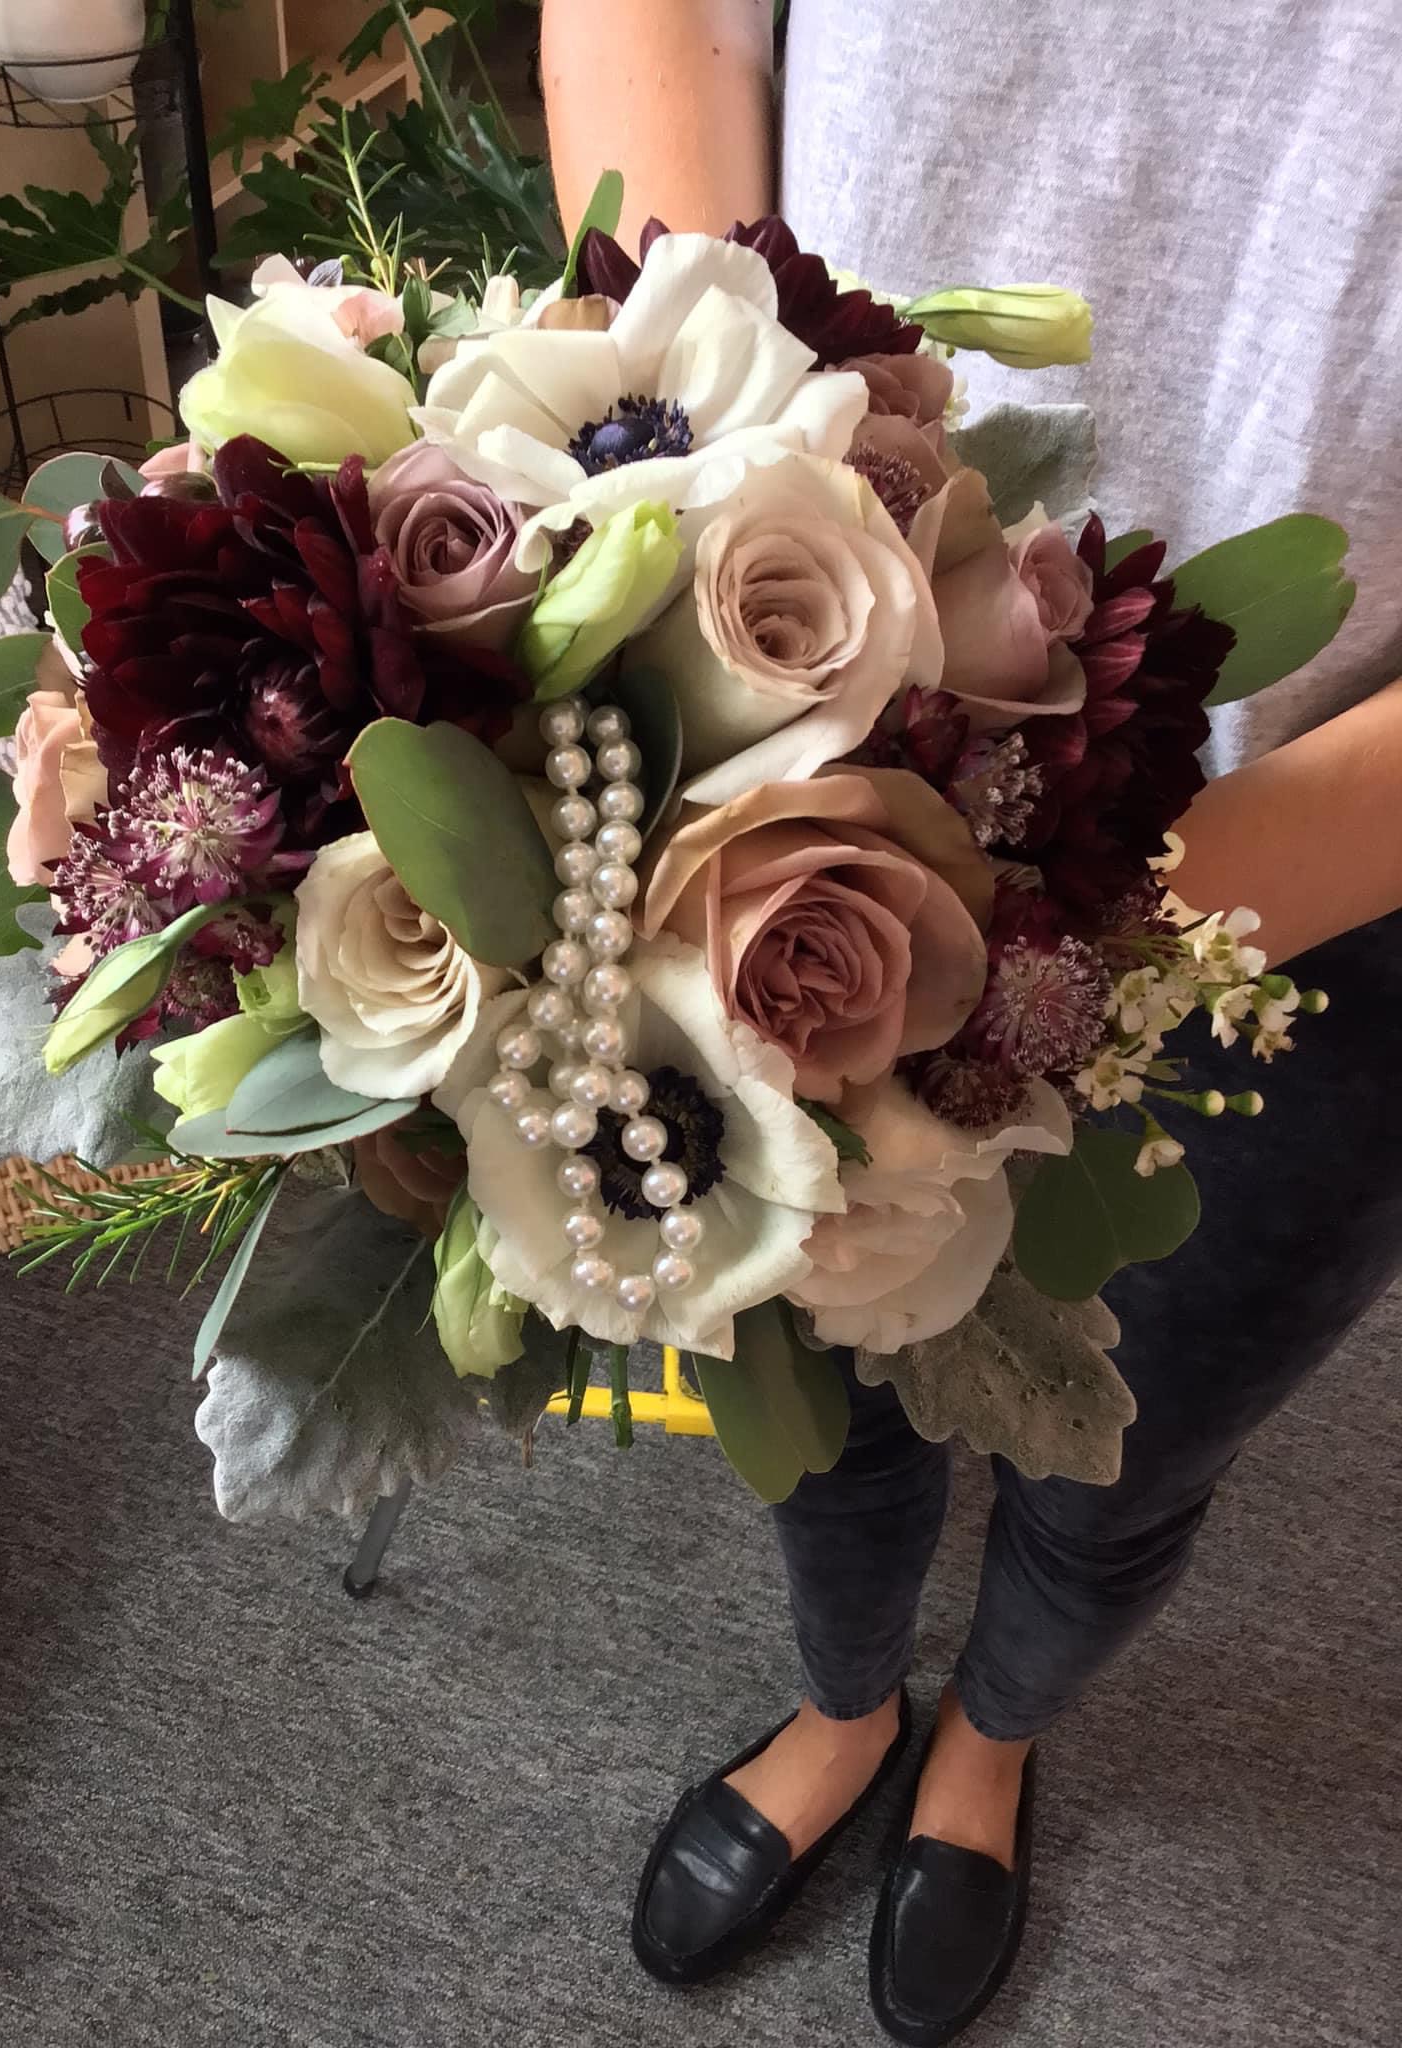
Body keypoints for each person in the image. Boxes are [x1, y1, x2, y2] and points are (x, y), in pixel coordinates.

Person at [540, 2, 1402, 2039]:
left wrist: (1101, 903)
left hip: (1353, 866)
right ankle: (846, 1707)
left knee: (1130, 1443)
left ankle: (991, 1741)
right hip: (796, 751)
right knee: (817, 1390)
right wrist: (697, 501)